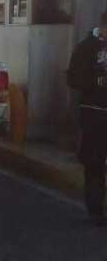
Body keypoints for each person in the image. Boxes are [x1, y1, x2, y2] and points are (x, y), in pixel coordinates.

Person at [68, 12, 107, 226]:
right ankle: (95, 210)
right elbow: (73, 78)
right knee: (94, 163)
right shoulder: (85, 48)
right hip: (94, 112)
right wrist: (96, 81)